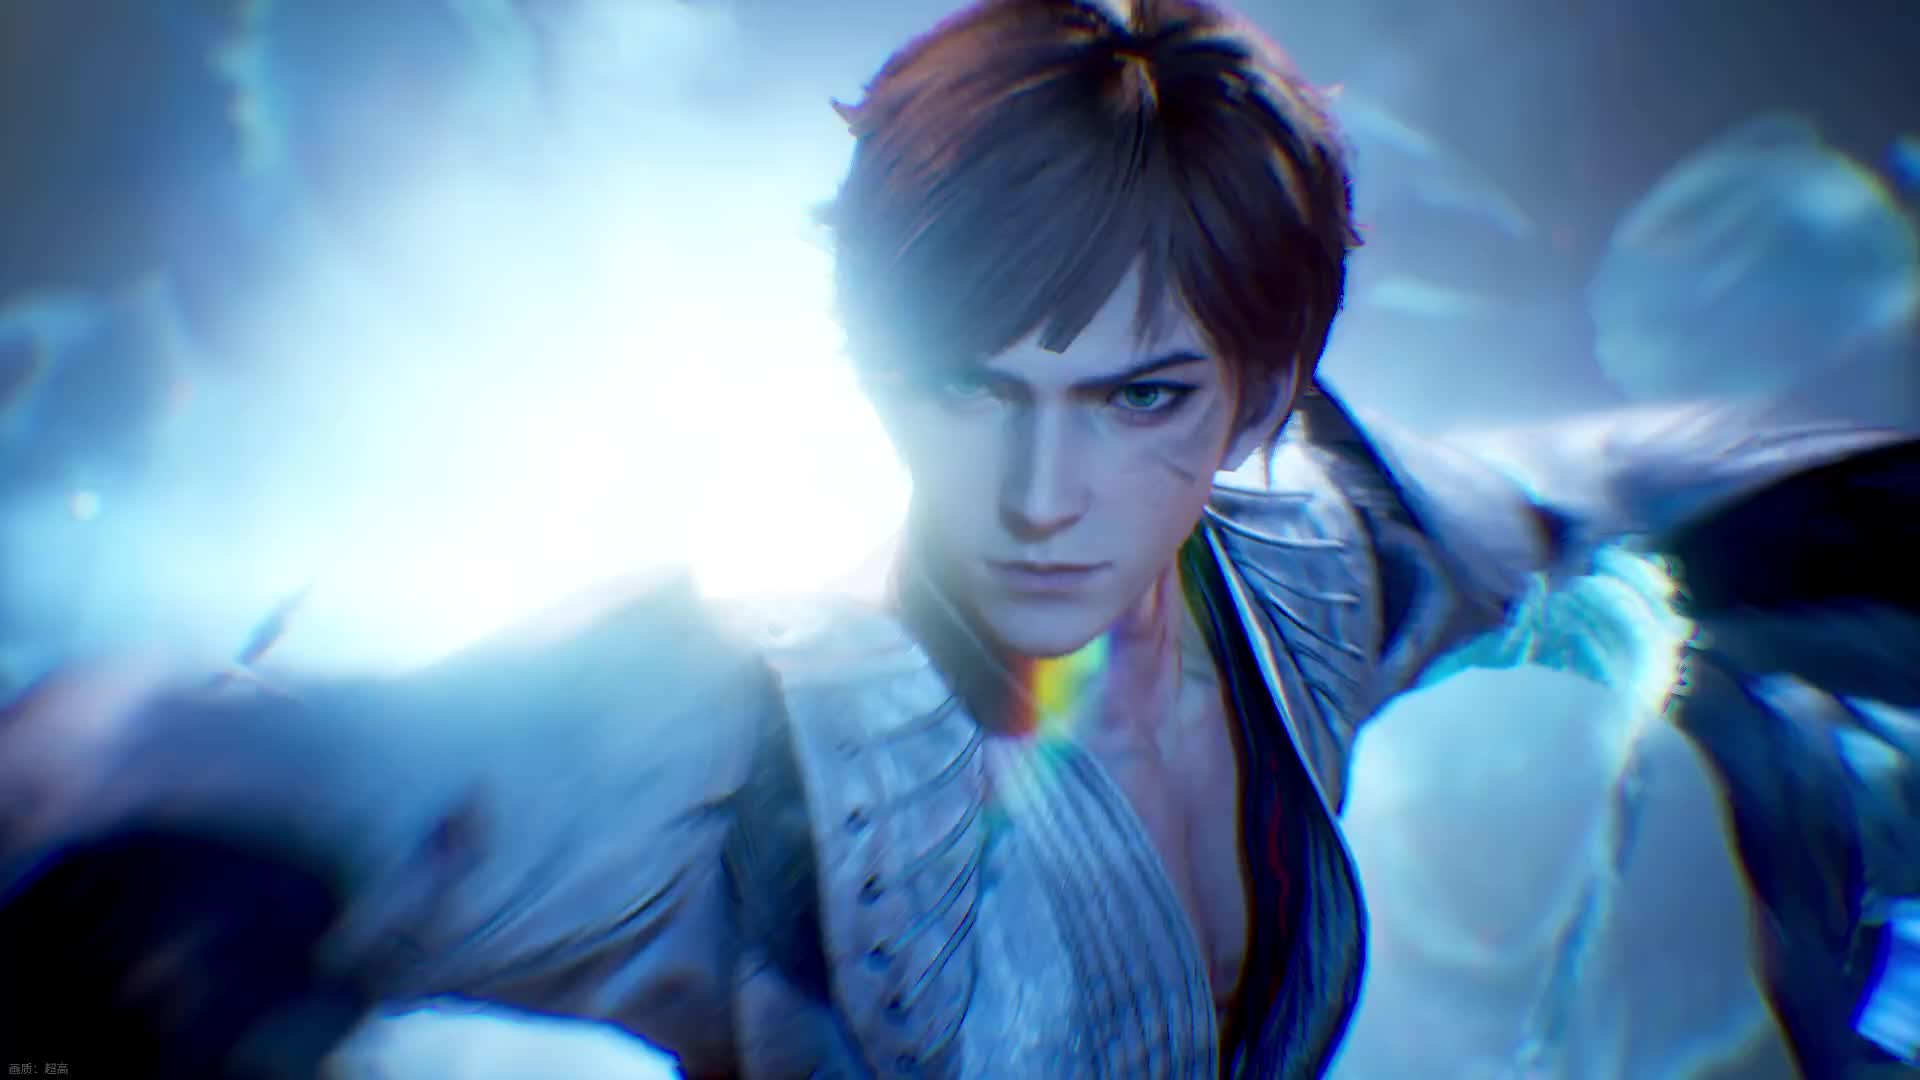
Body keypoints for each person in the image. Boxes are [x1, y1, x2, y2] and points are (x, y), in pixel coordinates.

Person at [0, 1, 1914, 1077]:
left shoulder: (1316, 563)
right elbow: (244, 757)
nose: (1038, 495)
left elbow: (1600, 486)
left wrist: (1822, 516)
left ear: (1254, 393)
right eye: (964, 389)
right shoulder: (717, 727)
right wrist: (157, 864)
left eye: (1136, 398)